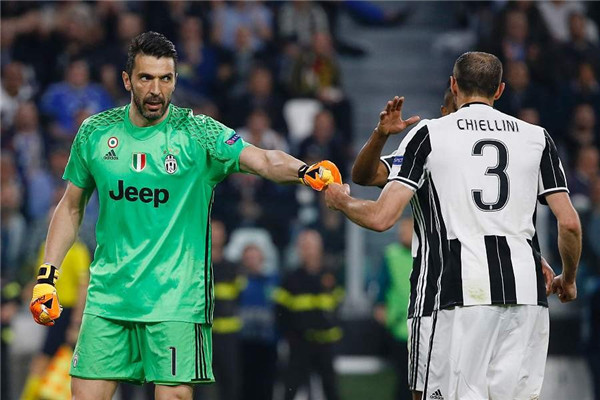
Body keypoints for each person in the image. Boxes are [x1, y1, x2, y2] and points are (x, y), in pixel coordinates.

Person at [28, 31, 340, 400]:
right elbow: (70, 206)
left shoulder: (199, 133)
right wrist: (47, 276)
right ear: (127, 80)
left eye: (166, 79)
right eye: (146, 78)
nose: (156, 90)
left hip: (176, 303)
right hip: (109, 298)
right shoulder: (95, 132)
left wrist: (306, 171)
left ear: (176, 80)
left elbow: (264, 159)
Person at [325, 51, 581, 399]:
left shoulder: (430, 135)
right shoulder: (537, 138)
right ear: (500, 90)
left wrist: (341, 201)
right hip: (526, 295)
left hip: (453, 293)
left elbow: (381, 217)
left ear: (453, 85)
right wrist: (568, 278)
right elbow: (569, 223)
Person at [273, 229, 344, 400]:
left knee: (331, 388)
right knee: (290, 388)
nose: (308, 251)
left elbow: (338, 306)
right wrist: (289, 336)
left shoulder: (331, 277)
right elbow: (280, 312)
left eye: (311, 246)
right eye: (304, 246)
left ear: (320, 248)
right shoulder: (290, 278)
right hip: (300, 344)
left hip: (326, 344)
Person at [372, 218, 414, 400]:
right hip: (399, 326)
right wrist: (381, 309)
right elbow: (381, 287)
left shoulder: (427, 253)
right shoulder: (391, 255)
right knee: (405, 379)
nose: (403, 234)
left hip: (424, 326)